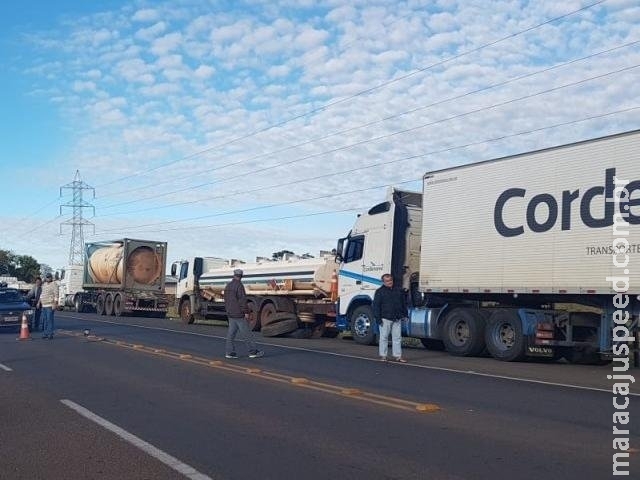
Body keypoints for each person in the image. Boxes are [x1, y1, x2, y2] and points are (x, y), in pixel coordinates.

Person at [223, 269, 264, 359]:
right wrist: (246, 312)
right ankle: (252, 352)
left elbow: (225, 300)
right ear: (241, 276)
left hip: (231, 313)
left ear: (234, 275)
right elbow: (242, 301)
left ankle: (229, 352)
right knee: (247, 334)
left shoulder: (228, 286)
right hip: (239, 314)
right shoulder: (239, 286)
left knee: (231, 334)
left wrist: (228, 310)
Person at [373, 273, 408, 363]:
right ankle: (383, 356)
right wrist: (378, 319)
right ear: (383, 282)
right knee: (384, 338)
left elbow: (403, 303)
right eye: (387, 281)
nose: (390, 282)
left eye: (391, 280)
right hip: (385, 318)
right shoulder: (379, 292)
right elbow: (376, 306)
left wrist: (405, 315)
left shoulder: (398, 290)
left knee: (397, 338)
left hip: (397, 318)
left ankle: (398, 356)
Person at [39, 273, 58, 339]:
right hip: (44, 305)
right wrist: (39, 302)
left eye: (49, 277)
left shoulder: (54, 284)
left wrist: (55, 304)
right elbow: (42, 294)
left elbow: (56, 295)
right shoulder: (44, 285)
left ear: (51, 278)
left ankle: (50, 334)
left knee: (50, 320)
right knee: (45, 320)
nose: (48, 278)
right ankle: (45, 333)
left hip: (50, 305)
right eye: (47, 277)